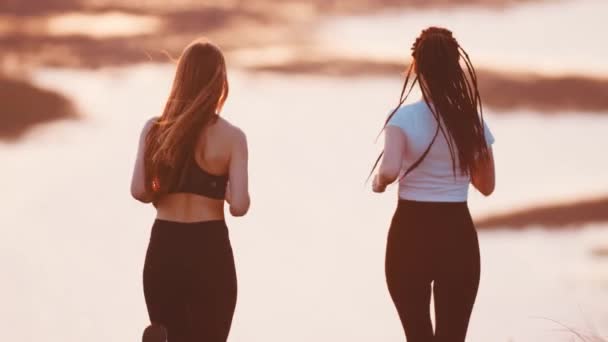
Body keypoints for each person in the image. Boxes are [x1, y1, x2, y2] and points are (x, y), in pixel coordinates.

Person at [370, 27, 495, 342]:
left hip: (409, 233)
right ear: (455, 68)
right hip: (457, 233)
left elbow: (389, 170)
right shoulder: (472, 121)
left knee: (418, 335)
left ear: (417, 67)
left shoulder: (400, 118)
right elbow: (486, 185)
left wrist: (378, 183)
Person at [130, 38, 250, 342]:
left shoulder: (155, 129)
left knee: (169, 332)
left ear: (181, 78)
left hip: (164, 247)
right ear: (220, 82)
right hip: (209, 249)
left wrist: (162, 183)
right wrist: (220, 186)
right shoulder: (232, 137)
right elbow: (239, 206)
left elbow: (139, 191)